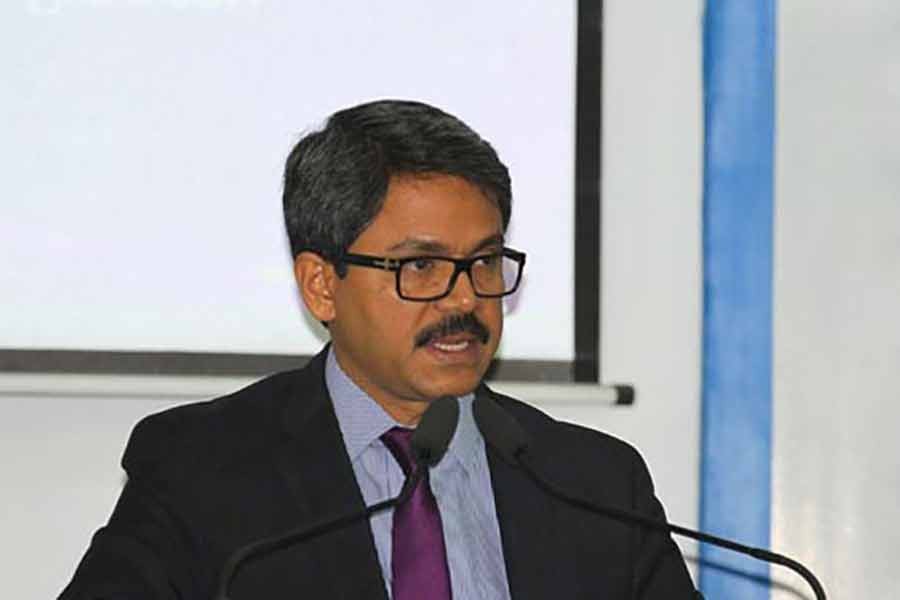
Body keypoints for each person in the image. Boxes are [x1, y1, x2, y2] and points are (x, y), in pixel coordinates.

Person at [59, 100, 698, 599]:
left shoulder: (595, 486)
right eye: (419, 266)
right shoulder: (202, 472)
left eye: (484, 261)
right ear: (321, 285)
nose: (464, 299)